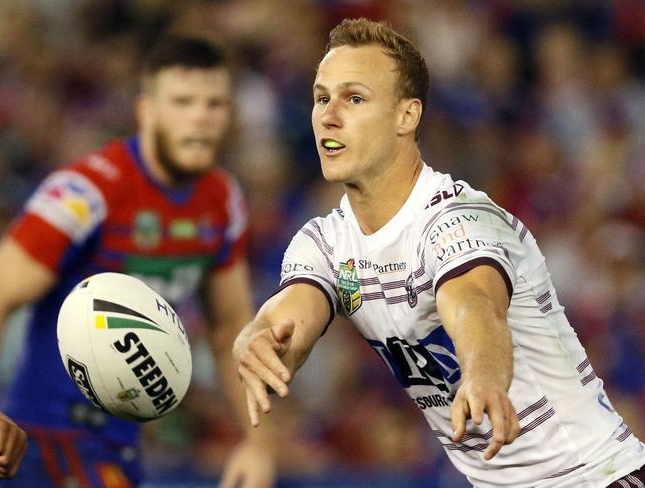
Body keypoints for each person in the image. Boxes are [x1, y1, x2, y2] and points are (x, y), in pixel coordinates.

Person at [233, 18, 645, 488]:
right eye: (322, 97)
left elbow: (474, 304)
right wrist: (262, 340)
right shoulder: (323, 242)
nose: (328, 115)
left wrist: (482, 373)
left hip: (596, 477)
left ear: (407, 116)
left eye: (354, 98)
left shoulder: (460, 219)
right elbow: (294, 313)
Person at [0, 36, 277, 487]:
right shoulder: (90, 191)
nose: (201, 117)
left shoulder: (221, 201)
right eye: (183, 102)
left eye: (215, 104)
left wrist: (258, 444)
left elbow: (231, 331)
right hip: (46, 440)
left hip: (120, 442)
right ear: (147, 111)